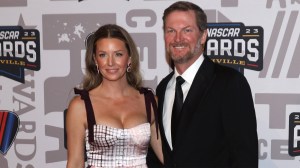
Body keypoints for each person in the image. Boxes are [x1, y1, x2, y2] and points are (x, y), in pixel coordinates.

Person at [147, 1, 258, 167]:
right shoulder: (163, 88)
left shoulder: (229, 83)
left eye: (187, 30)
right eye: (171, 31)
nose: (178, 38)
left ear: (203, 35)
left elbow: (245, 158)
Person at [66, 24, 163, 168]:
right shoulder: (80, 106)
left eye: (118, 54)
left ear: (129, 59)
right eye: (103, 55)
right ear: (95, 60)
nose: (110, 62)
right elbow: (75, 162)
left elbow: (167, 158)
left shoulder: (149, 102)